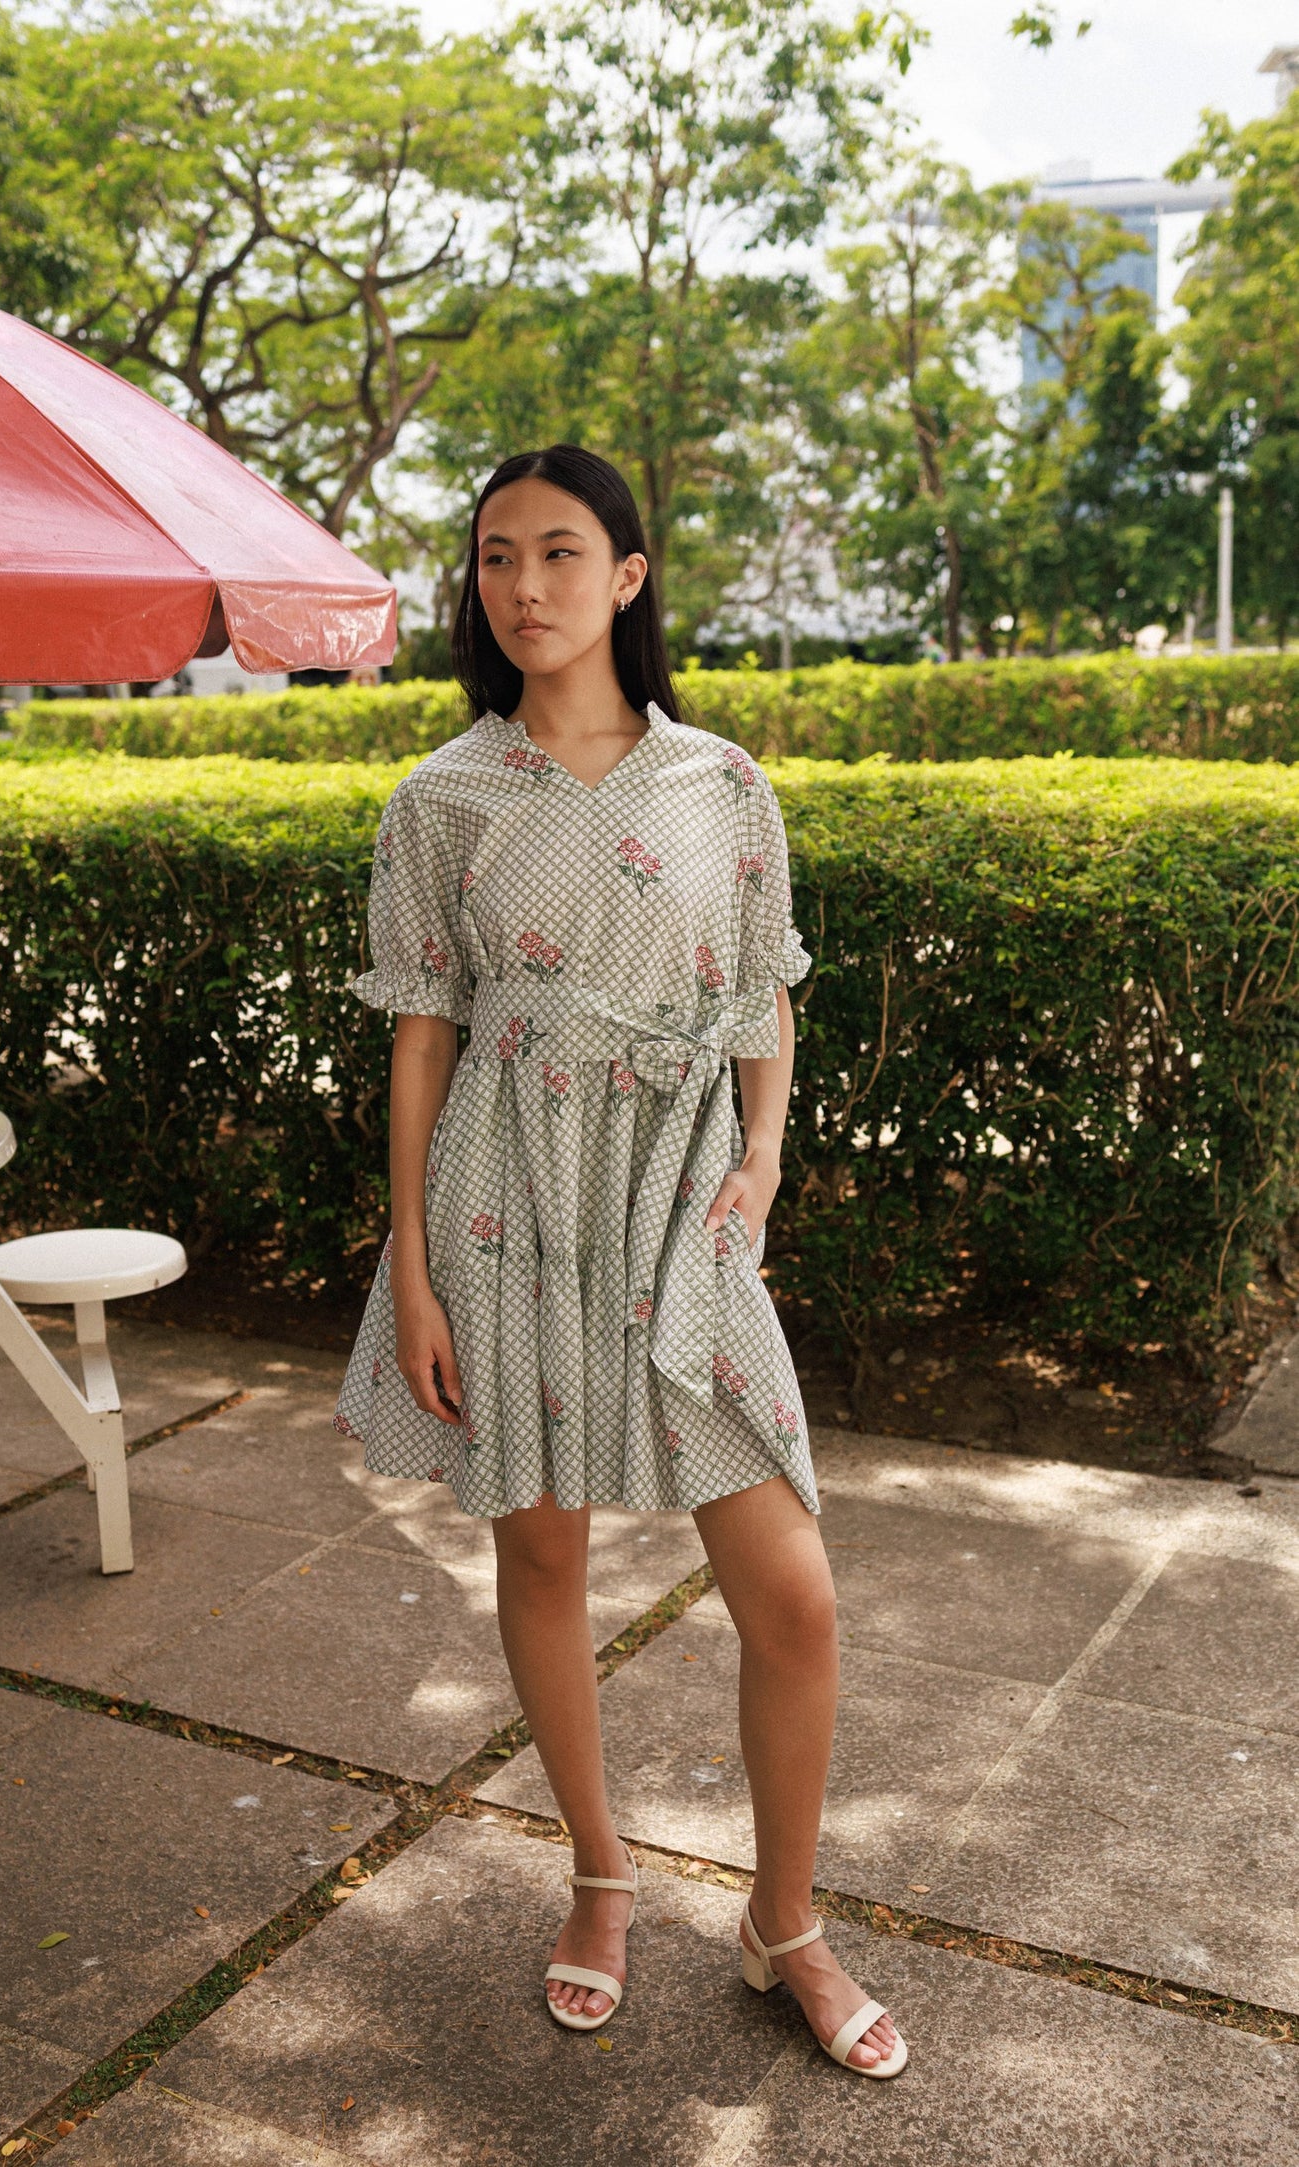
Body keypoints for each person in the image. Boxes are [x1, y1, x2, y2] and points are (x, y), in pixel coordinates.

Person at [333, 445, 906, 2079]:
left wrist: (762, 1155)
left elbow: (758, 991)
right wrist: (419, 1271)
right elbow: (421, 1046)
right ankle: (598, 1875)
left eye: (561, 553)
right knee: (542, 1559)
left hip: (675, 1191)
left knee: (791, 1594)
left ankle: (780, 1921)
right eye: (496, 557)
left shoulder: (720, 783)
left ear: (629, 576)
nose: (524, 586)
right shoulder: (442, 796)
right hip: (502, 1190)